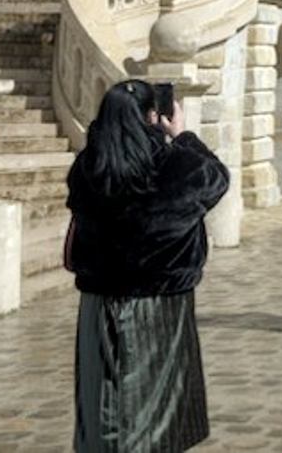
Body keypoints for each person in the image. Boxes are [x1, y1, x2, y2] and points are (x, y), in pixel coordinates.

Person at [65, 79, 230, 453]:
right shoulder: (173, 164)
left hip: (98, 301)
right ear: (153, 116)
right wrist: (183, 136)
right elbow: (216, 178)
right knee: (155, 407)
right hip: (159, 302)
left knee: (101, 401)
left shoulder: (88, 166)